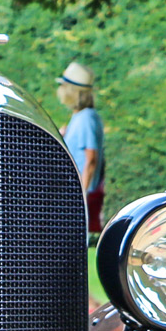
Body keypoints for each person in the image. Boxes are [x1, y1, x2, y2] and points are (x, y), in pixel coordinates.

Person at [57, 61, 105, 232]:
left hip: (78, 193)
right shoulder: (80, 117)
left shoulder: (86, 118)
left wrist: (81, 196)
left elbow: (90, 159)